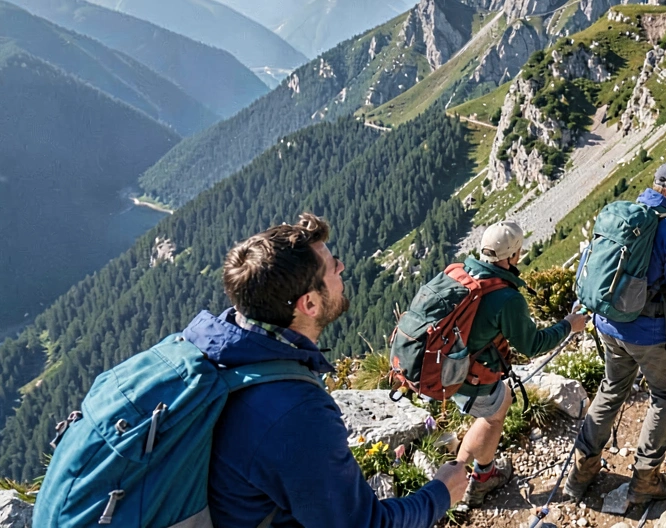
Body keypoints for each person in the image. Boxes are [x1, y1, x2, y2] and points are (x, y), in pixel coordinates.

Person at [190, 213, 469, 528]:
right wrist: (441, 493)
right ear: (309, 304)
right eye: (334, 266)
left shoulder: (212, 351)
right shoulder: (295, 413)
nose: (342, 267)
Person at [565, 163, 666, 504]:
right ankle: (645, 481)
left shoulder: (623, 215)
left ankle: (580, 472)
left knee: (612, 388)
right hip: (651, 333)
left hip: (608, 323)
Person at [442, 222, 589, 505]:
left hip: (446, 365)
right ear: (512, 255)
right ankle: (476, 478)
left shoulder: (462, 272)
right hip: (469, 377)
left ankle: (468, 470)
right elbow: (532, 345)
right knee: (493, 414)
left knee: (501, 400)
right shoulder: (506, 298)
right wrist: (569, 325)